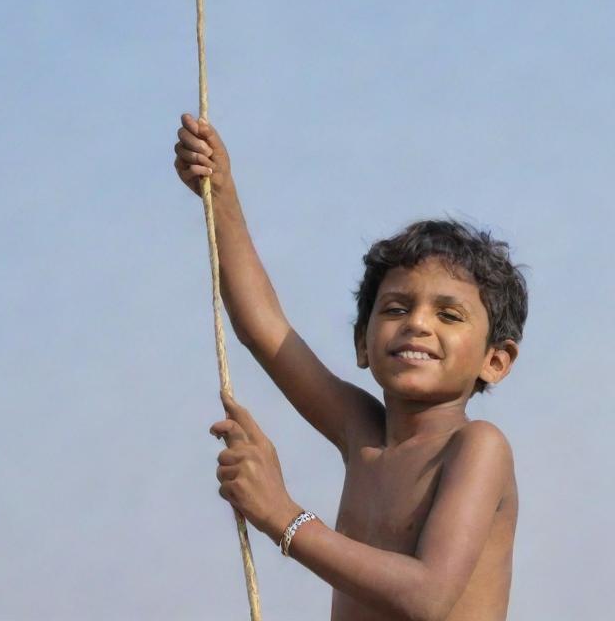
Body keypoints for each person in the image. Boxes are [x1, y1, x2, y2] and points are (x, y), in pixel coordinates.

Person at [174, 112, 528, 621]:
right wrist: (221, 193)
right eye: (396, 309)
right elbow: (263, 328)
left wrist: (283, 515)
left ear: (495, 360)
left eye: (448, 314)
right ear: (362, 343)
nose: (418, 326)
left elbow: (426, 596)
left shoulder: (477, 447)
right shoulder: (361, 430)